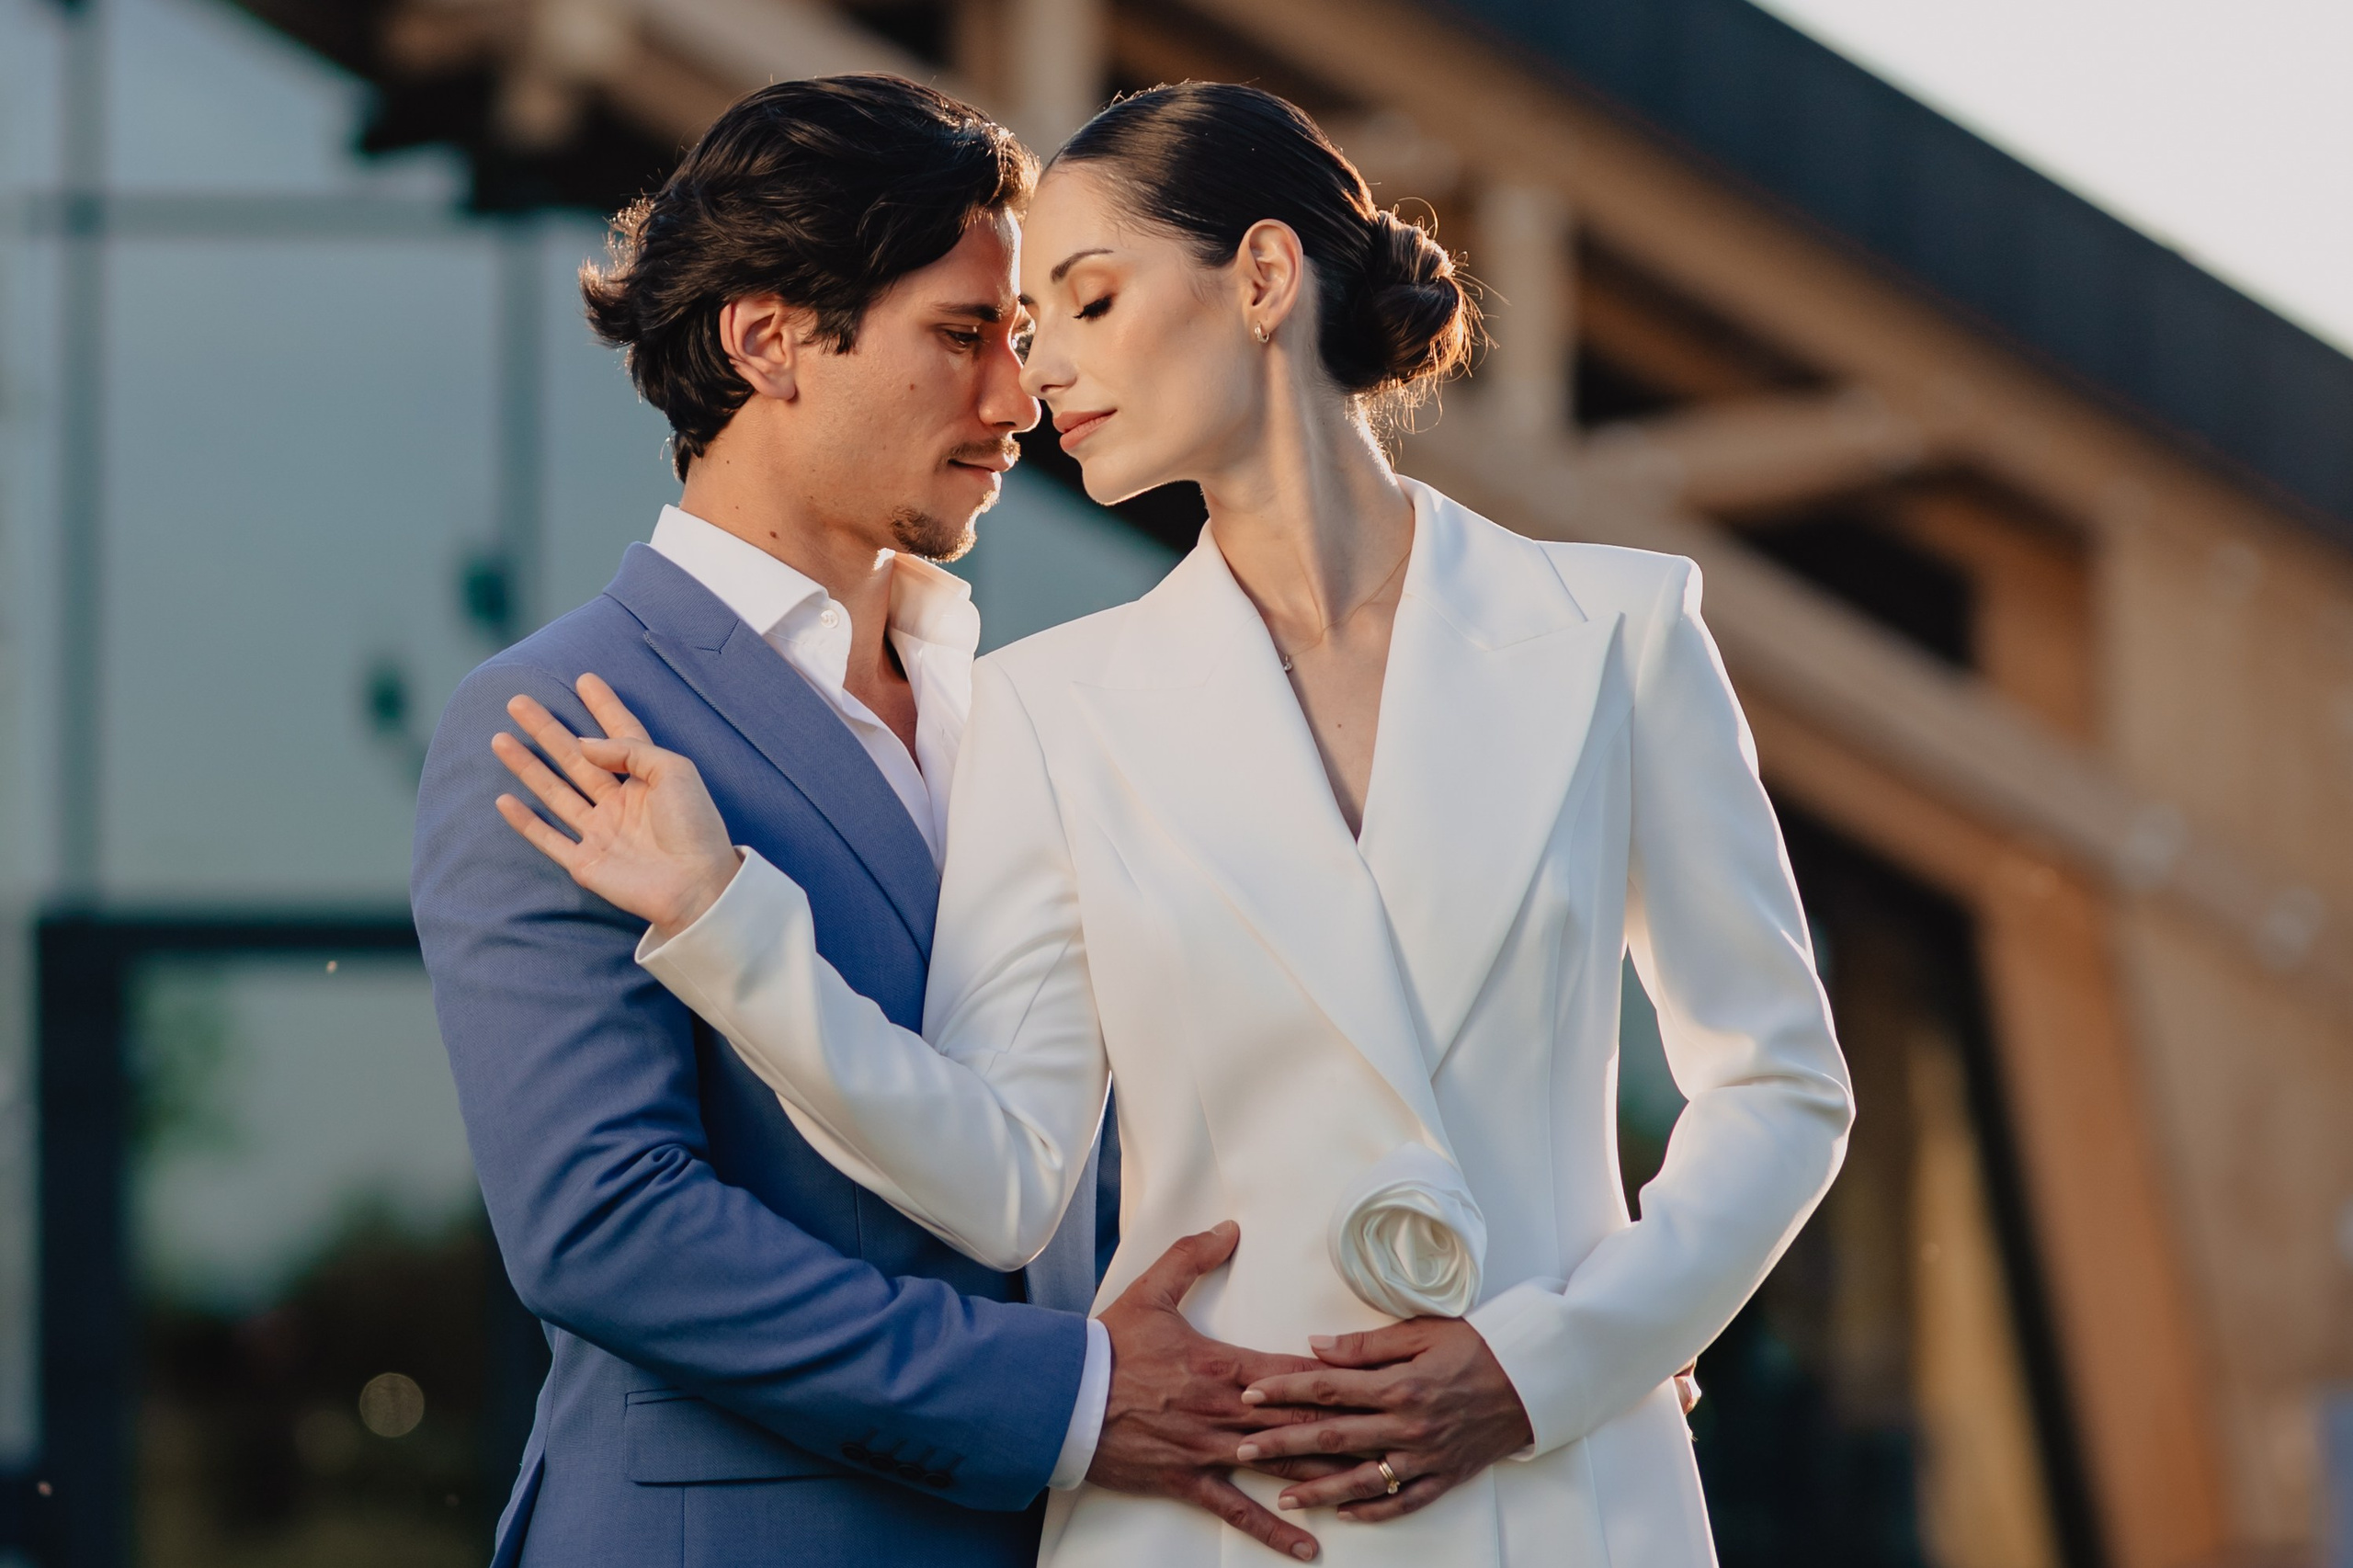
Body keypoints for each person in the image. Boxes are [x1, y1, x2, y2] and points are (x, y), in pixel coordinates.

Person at [494, 83, 1856, 1566]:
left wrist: (1556, 1362)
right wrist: (728, 926)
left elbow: (1779, 1088)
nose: (1038, 382)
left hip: (1567, 1498)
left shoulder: (1622, 631)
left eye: (1081, 304)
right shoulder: (1054, 708)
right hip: (1223, 1518)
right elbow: (1003, 1175)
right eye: (1011, 331)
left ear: (1263, 279)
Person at [415, 76, 1335, 1568]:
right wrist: (1076, 1397)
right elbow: (613, 1227)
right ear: (767, 337)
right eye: (964, 336)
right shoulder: (561, 711)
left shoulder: (1028, 704)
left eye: (1022, 342)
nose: (1019, 403)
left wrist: (1525, 1324)